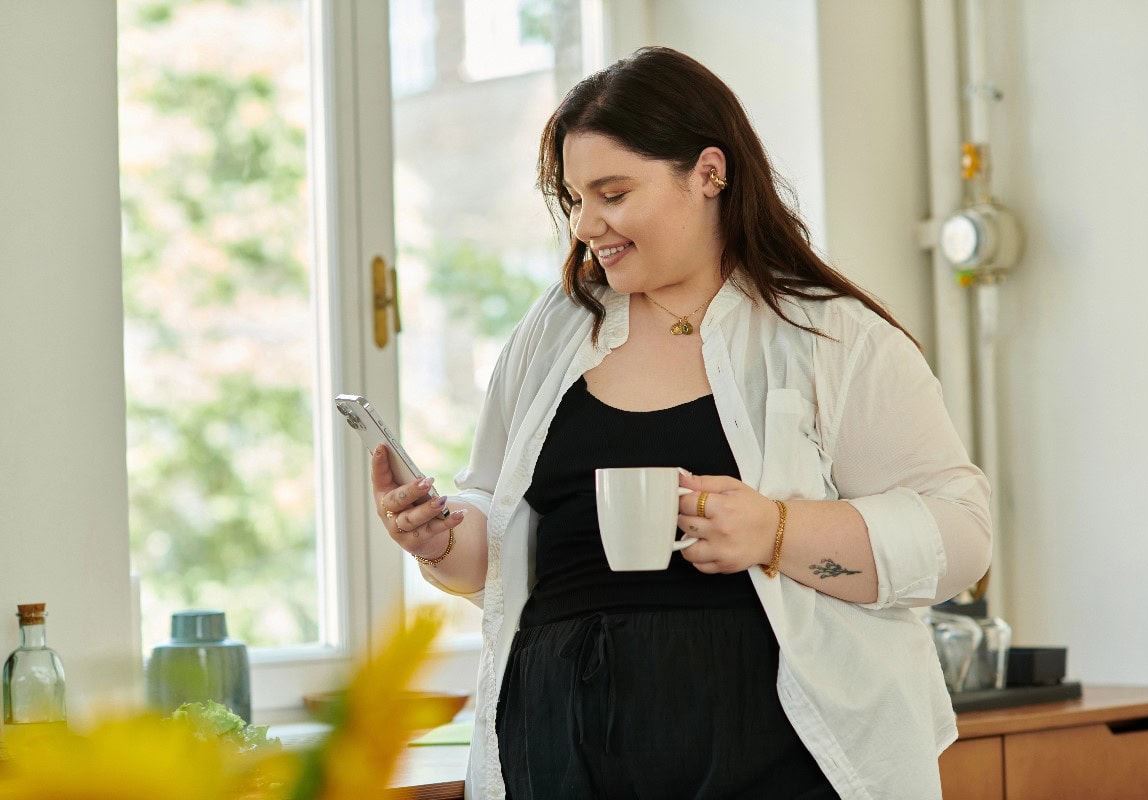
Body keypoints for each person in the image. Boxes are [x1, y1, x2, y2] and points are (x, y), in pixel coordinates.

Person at [371, 46, 991, 800]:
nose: (586, 223)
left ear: (708, 173)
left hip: (774, 763)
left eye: (613, 192)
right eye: (572, 197)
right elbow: (505, 545)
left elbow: (960, 536)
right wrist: (442, 538)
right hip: (557, 757)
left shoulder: (830, 336)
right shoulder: (552, 333)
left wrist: (776, 531)